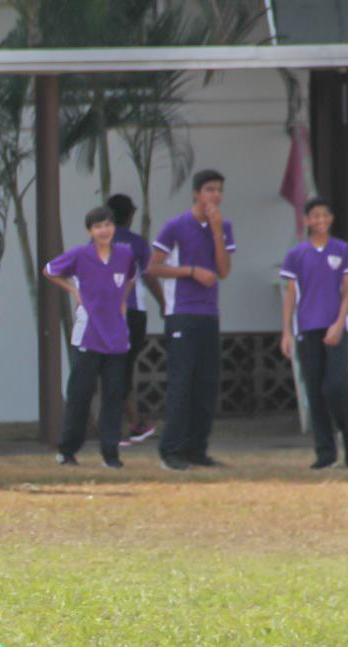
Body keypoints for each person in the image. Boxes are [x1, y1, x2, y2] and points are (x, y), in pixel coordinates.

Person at [145, 169, 236, 471]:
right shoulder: (176, 226)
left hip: (209, 314)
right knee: (181, 382)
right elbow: (153, 268)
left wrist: (216, 231)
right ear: (196, 193)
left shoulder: (223, 226)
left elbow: (224, 270)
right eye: (209, 189)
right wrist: (191, 271)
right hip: (181, 312)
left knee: (205, 383)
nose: (215, 196)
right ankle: (169, 450)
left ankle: (196, 449)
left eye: (219, 190)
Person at [44, 206, 138, 468]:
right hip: (88, 336)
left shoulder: (125, 255)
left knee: (114, 396)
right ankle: (67, 450)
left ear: (113, 228)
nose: (103, 230)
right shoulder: (80, 255)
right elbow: (49, 270)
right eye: (98, 226)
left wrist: (123, 300)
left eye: (107, 225)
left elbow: (130, 277)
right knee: (80, 395)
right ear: (90, 231)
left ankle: (111, 453)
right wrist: (74, 291)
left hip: (117, 337)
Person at [280, 197, 348, 469]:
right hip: (307, 329)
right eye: (315, 216)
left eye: (325, 215)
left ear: (331, 218)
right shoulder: (296, 255)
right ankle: (325, 452)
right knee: (314, 391)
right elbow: (291, 294)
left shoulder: (343, 250)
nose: (320, 220)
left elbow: (347, 291)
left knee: (335, 385)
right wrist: (286, 332)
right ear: (306, 220)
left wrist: (339, 323)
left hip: (335, 328)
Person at [106, 194, 163, 444]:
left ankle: (129, 424)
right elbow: (150, 276)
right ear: (130, 216)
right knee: (124, 369)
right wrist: (164, 303)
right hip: (133, 312)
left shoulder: (99, 240)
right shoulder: (137, 243)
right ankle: (129, 426)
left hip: (105, 314)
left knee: (112, 368)